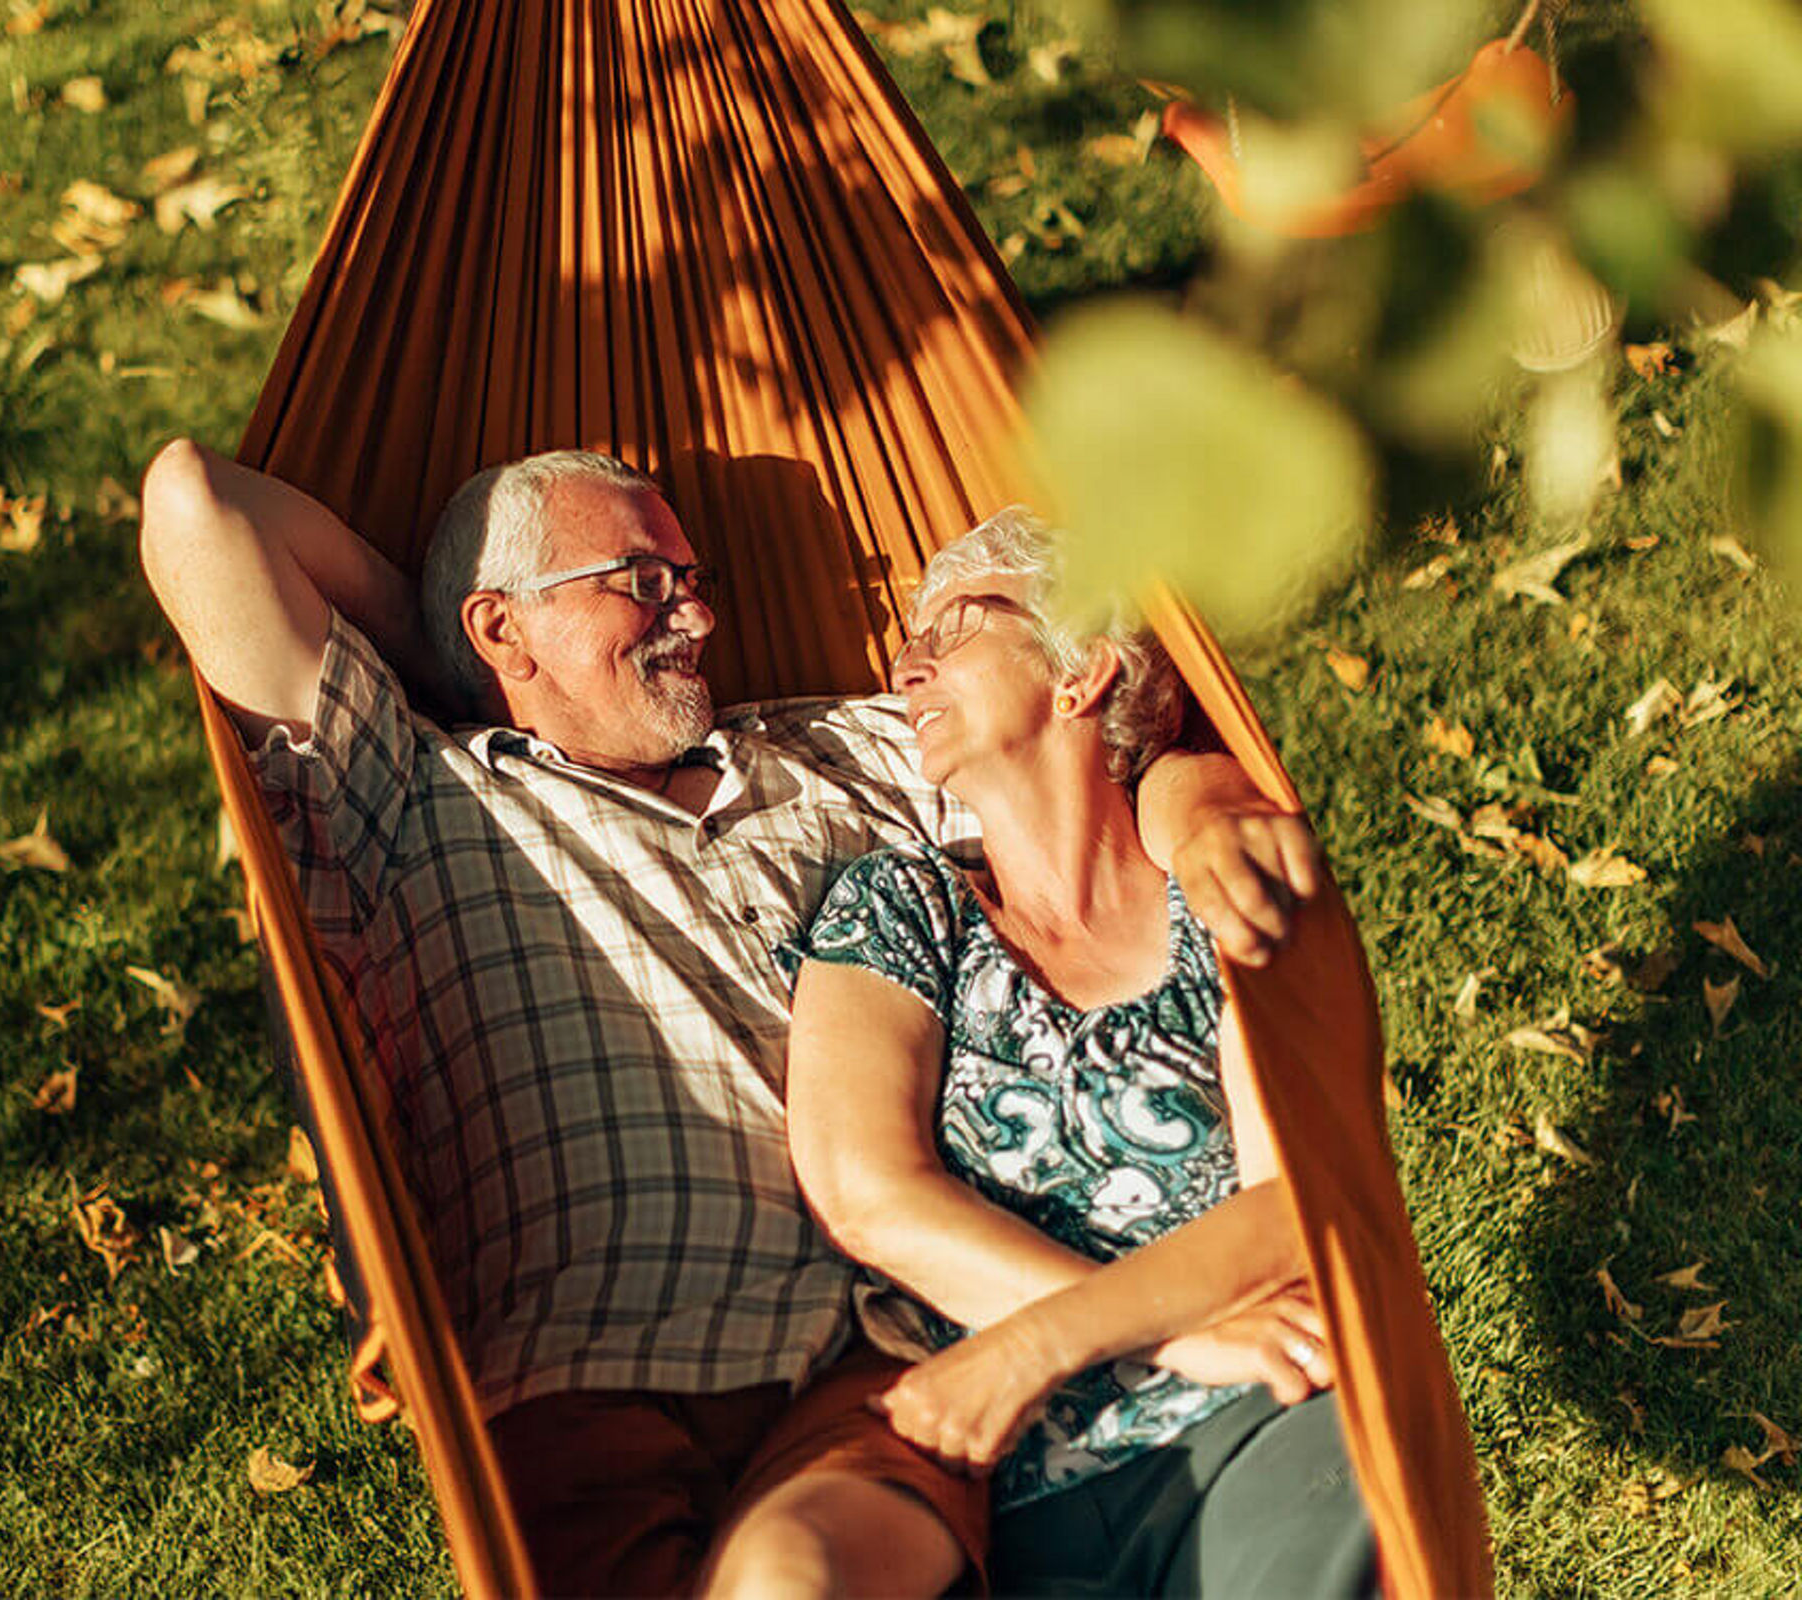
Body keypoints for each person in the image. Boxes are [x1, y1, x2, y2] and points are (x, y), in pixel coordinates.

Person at [138, 440, 1324, 1597]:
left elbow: (1085, 745)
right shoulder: (405, 795)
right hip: (581, 1385)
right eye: (643, 583)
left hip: (872, 1360)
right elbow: (197, 505)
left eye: (694, 583)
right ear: (500, 625)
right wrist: (451, 655)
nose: (695, 617)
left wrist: (1209, 809)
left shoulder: (841, 751)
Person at [706, 507, 1373, 1597]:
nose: (903, 665)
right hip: (1004, 1485)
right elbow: (870, 1194)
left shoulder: (1219, 886)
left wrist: (1032, 1346)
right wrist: (1172, 1336)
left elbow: (1301, 1199)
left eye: (954, 625)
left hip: (1265, 1419)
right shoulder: (899, 909)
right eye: (907, 638)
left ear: (1081, 673)